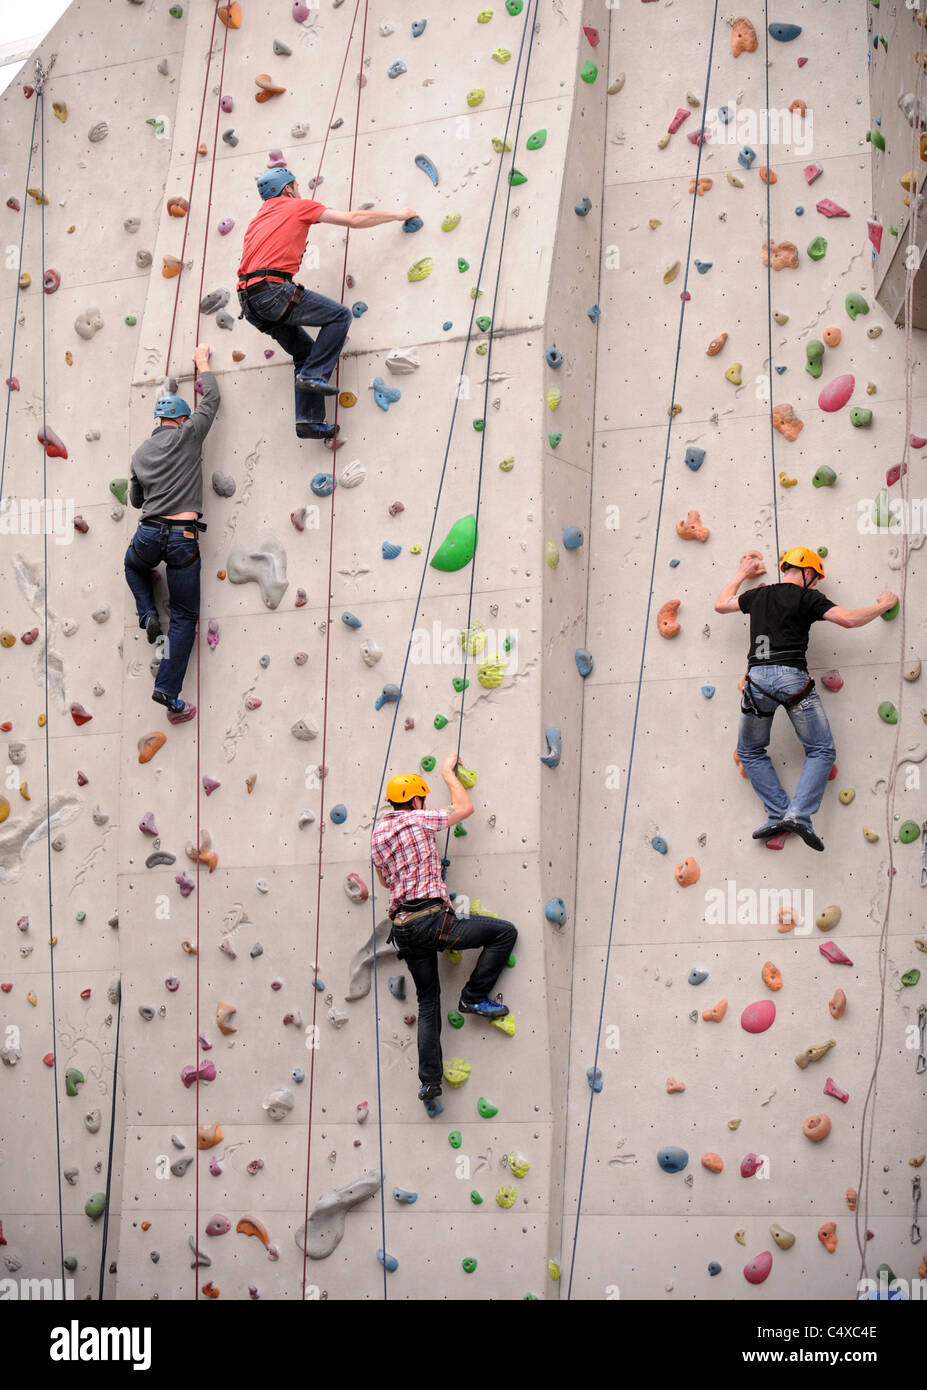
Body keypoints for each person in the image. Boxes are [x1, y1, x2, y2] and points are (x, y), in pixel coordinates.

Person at [715, 546, 897, 851]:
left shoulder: (758, 595)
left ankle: (778, 813)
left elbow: (721, 605)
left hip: (757, 681)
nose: (815, 585)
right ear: (809, 572)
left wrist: (742, 573)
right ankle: (797, 815)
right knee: (821, 749)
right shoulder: (807, 597)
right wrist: (883, 605)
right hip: (792, 679)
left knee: (749, 752)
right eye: (816, 579)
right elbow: (848, 620)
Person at [371, 757, 518, 1106]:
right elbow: (463, 808)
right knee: (504, 933)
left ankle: (430, 1083)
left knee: (427, 1002)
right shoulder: (418, 819)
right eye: (422, 799)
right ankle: (473, 996)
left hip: (403, 929)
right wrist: (448, 773)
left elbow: (385, 881)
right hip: (430, 921)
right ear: (416, 800)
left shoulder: (377, 837)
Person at [236, 168, 417, 440]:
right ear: (287, 189)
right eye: (297, 187)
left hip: (249, 302)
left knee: (304, 352)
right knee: (339, 316)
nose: (300, 192)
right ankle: (313, 376)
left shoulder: (258, 219)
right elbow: (354, 219)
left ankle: (308, 421)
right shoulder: (297, 206)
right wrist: (398, 214)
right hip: (272, 292)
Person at [124, 342, 220, 725]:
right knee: (183, 615)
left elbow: (136, 500)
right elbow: (211, 401)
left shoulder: (139, 454)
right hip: (183, 537)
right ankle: (166, 690)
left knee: (133, 566)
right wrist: (202, 363)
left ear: (158, 420)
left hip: (148, 533)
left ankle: (147, 613)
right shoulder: (189, 434)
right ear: (180, 418)